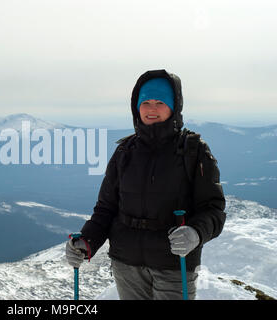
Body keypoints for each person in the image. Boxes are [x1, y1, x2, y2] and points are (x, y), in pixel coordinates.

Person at [66, 69, 226, 300]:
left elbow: (213, 209)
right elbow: (106, 209)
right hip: (126, 264)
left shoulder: (193, 151)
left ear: (174, 107)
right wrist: (85, 242)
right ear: (136, 106)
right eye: (146, 102)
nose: (152, 109)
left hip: (174, 264)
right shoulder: (124, 152)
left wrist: (196, 232)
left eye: (160, 102)